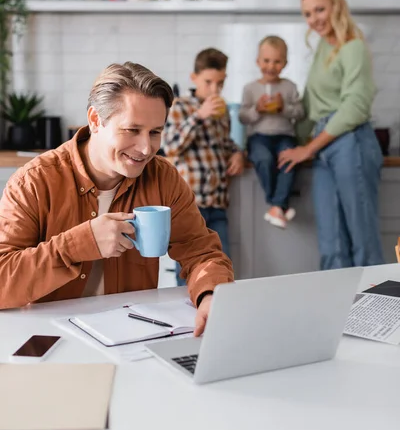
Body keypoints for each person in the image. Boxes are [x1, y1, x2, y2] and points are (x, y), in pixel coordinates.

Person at [0, 62, 234, 336]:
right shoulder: (35, 181)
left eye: (155, 132)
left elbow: (201, 253)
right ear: (96, 120)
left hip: (132, 334)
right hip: (48, 336)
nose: (146, 148)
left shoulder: (163, 178)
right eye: (132, 130)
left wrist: (210, 296)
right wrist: (78, 245)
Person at [278, 0, 384, 269]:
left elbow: (355, 107)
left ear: (337, 6)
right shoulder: (325, 48)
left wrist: (307, 149)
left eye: (320, 9)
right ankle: (338, 309)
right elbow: (311, 105)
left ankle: (377, 312)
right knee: (331, 242)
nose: (314, 19)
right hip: (325, 147)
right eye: (308, 14)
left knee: (363, 240)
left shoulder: (353, 48)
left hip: (352, 143)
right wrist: (292, 143)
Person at [162, 48, 244, 285]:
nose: (214, 89)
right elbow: (171, 146)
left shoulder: (222, 112)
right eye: (208, 82)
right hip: (190, 205)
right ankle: (187, 319)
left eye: (220, 83)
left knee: (221, 264)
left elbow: (224, 144)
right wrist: (199, 115)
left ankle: (217, 315)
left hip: (217, 204)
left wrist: (237, 153)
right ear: (194, 78)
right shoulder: (180, 107)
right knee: (188, 269)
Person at [239, 35, 304, 229]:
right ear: (258, 62)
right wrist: (257, 109)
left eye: (277, 61)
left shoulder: (289, 87)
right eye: (266, 61)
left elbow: (300, 113)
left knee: (289, 160)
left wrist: (284, 108)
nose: (271, 66)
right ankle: (280, 204)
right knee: (263, 159)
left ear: (285, 63)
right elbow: (243, 117)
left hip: (285, 135)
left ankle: (277, 206)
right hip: (258, 137)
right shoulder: (250, 89)